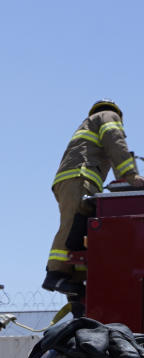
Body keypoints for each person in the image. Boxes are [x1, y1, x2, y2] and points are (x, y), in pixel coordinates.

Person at [43, 99, 144, 306]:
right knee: (72, 224)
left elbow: (112, 150)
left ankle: (76, 285)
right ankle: (55, 273)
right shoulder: (107, 116)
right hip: (80, 177)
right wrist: (131, 175)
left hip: (77, 179)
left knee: (82, 233)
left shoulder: (90, 123)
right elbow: (115, 141)